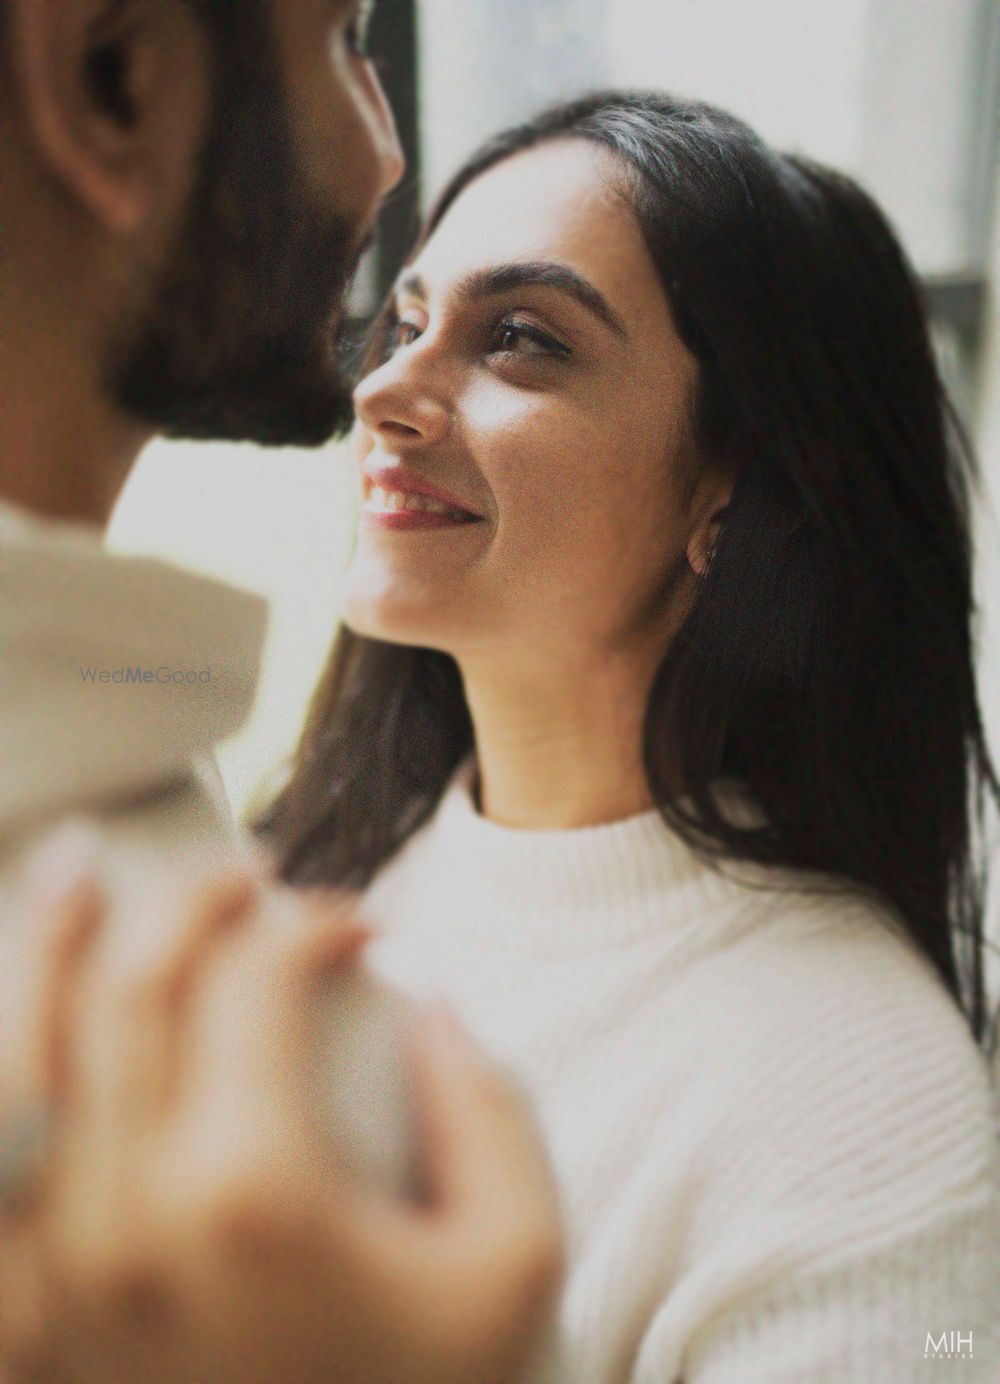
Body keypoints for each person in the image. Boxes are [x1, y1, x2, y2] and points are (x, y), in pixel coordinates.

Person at [257, 91, 1000, 1381]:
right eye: (410, 322)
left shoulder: (862, 1111)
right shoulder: (327, 872)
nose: (384, 386)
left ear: (731, 486)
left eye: (521, 340)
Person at [0, 0, 562, 1378]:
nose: (383, 155)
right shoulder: (273, 1133)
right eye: (346, 38)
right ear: (109, 77)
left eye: (528, 339)